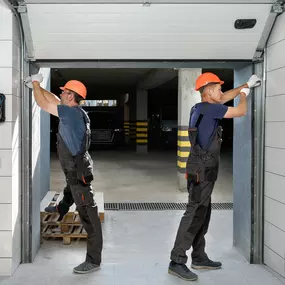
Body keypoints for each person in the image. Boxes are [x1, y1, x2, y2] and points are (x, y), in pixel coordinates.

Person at [168, 72, 261, 281]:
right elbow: (240, 111)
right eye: (218, 88)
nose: (221, 90)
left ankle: (199, 257)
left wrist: (245, 84)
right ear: (208, 91)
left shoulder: (201, 108)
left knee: (203, 213)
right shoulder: (211, 110)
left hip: (200, 170)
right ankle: (176, 260)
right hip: (202, 170)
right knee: (193, 214)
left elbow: (225, 98)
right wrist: (245, 94)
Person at [24, 74, 103, 274]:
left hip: (77, 171)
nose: (61, 94)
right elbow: (53, 100)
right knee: (71, 188)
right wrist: (37, 86)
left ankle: (93, 261)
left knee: (89, 216)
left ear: (71, 97)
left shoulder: (70, 114)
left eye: (64, 92)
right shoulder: (74, 111)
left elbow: (42, 103)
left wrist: (35, 84)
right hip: (76, 169)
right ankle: (61, 208)